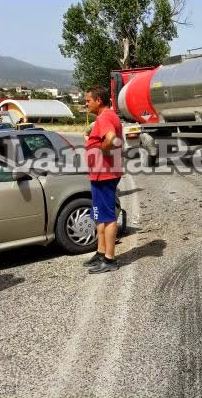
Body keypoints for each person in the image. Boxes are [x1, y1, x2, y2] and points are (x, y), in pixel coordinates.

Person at [84, 87, 123, 274]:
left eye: (88, 100)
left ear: (98, 100)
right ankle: (101, 252)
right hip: (100, 174)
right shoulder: (106, 116)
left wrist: (101, 151)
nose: (86, 104)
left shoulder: (105, 117)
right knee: (99, 214)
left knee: (107, 217)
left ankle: (110, 259)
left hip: (105, 174)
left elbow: (111, 138)